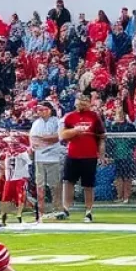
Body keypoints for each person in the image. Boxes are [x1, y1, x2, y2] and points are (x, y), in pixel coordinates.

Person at [58, 93, 105, 223]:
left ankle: (88, 211)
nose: (81, 105)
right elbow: (63, 135)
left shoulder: (94, 117)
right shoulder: (70, 117)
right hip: (73, 154)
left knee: (88, 185)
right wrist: (75, 131)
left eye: (84, 102)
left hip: (89, 155)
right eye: (79, 102)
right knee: (68, 182)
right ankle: (66, 209)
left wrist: (101, 153)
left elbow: (101, 136)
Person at [29, 100, 62, 218]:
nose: (40, 112)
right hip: (39, 158)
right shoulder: (36, 123)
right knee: (40, 185)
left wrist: (43, 138)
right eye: (39, 110)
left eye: (43, 109)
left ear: (49, 110)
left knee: (55, 185)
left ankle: (57, 209)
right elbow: (33, 140)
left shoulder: (56, 122)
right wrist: (45, 139)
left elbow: (57, 137)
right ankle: (41, 210)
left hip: (53, 157)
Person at [0, 135, 31, 227]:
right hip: (9, 179)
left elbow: (29, 163)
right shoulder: (7, 152)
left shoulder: (23, 152)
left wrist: (19, 156)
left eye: (13, 142)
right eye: (10, 142)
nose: (10, 144)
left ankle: (19, 217)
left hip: (20, 178)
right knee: (5, 199)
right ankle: (3, 220)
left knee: (19, 198)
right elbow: (3, 164)